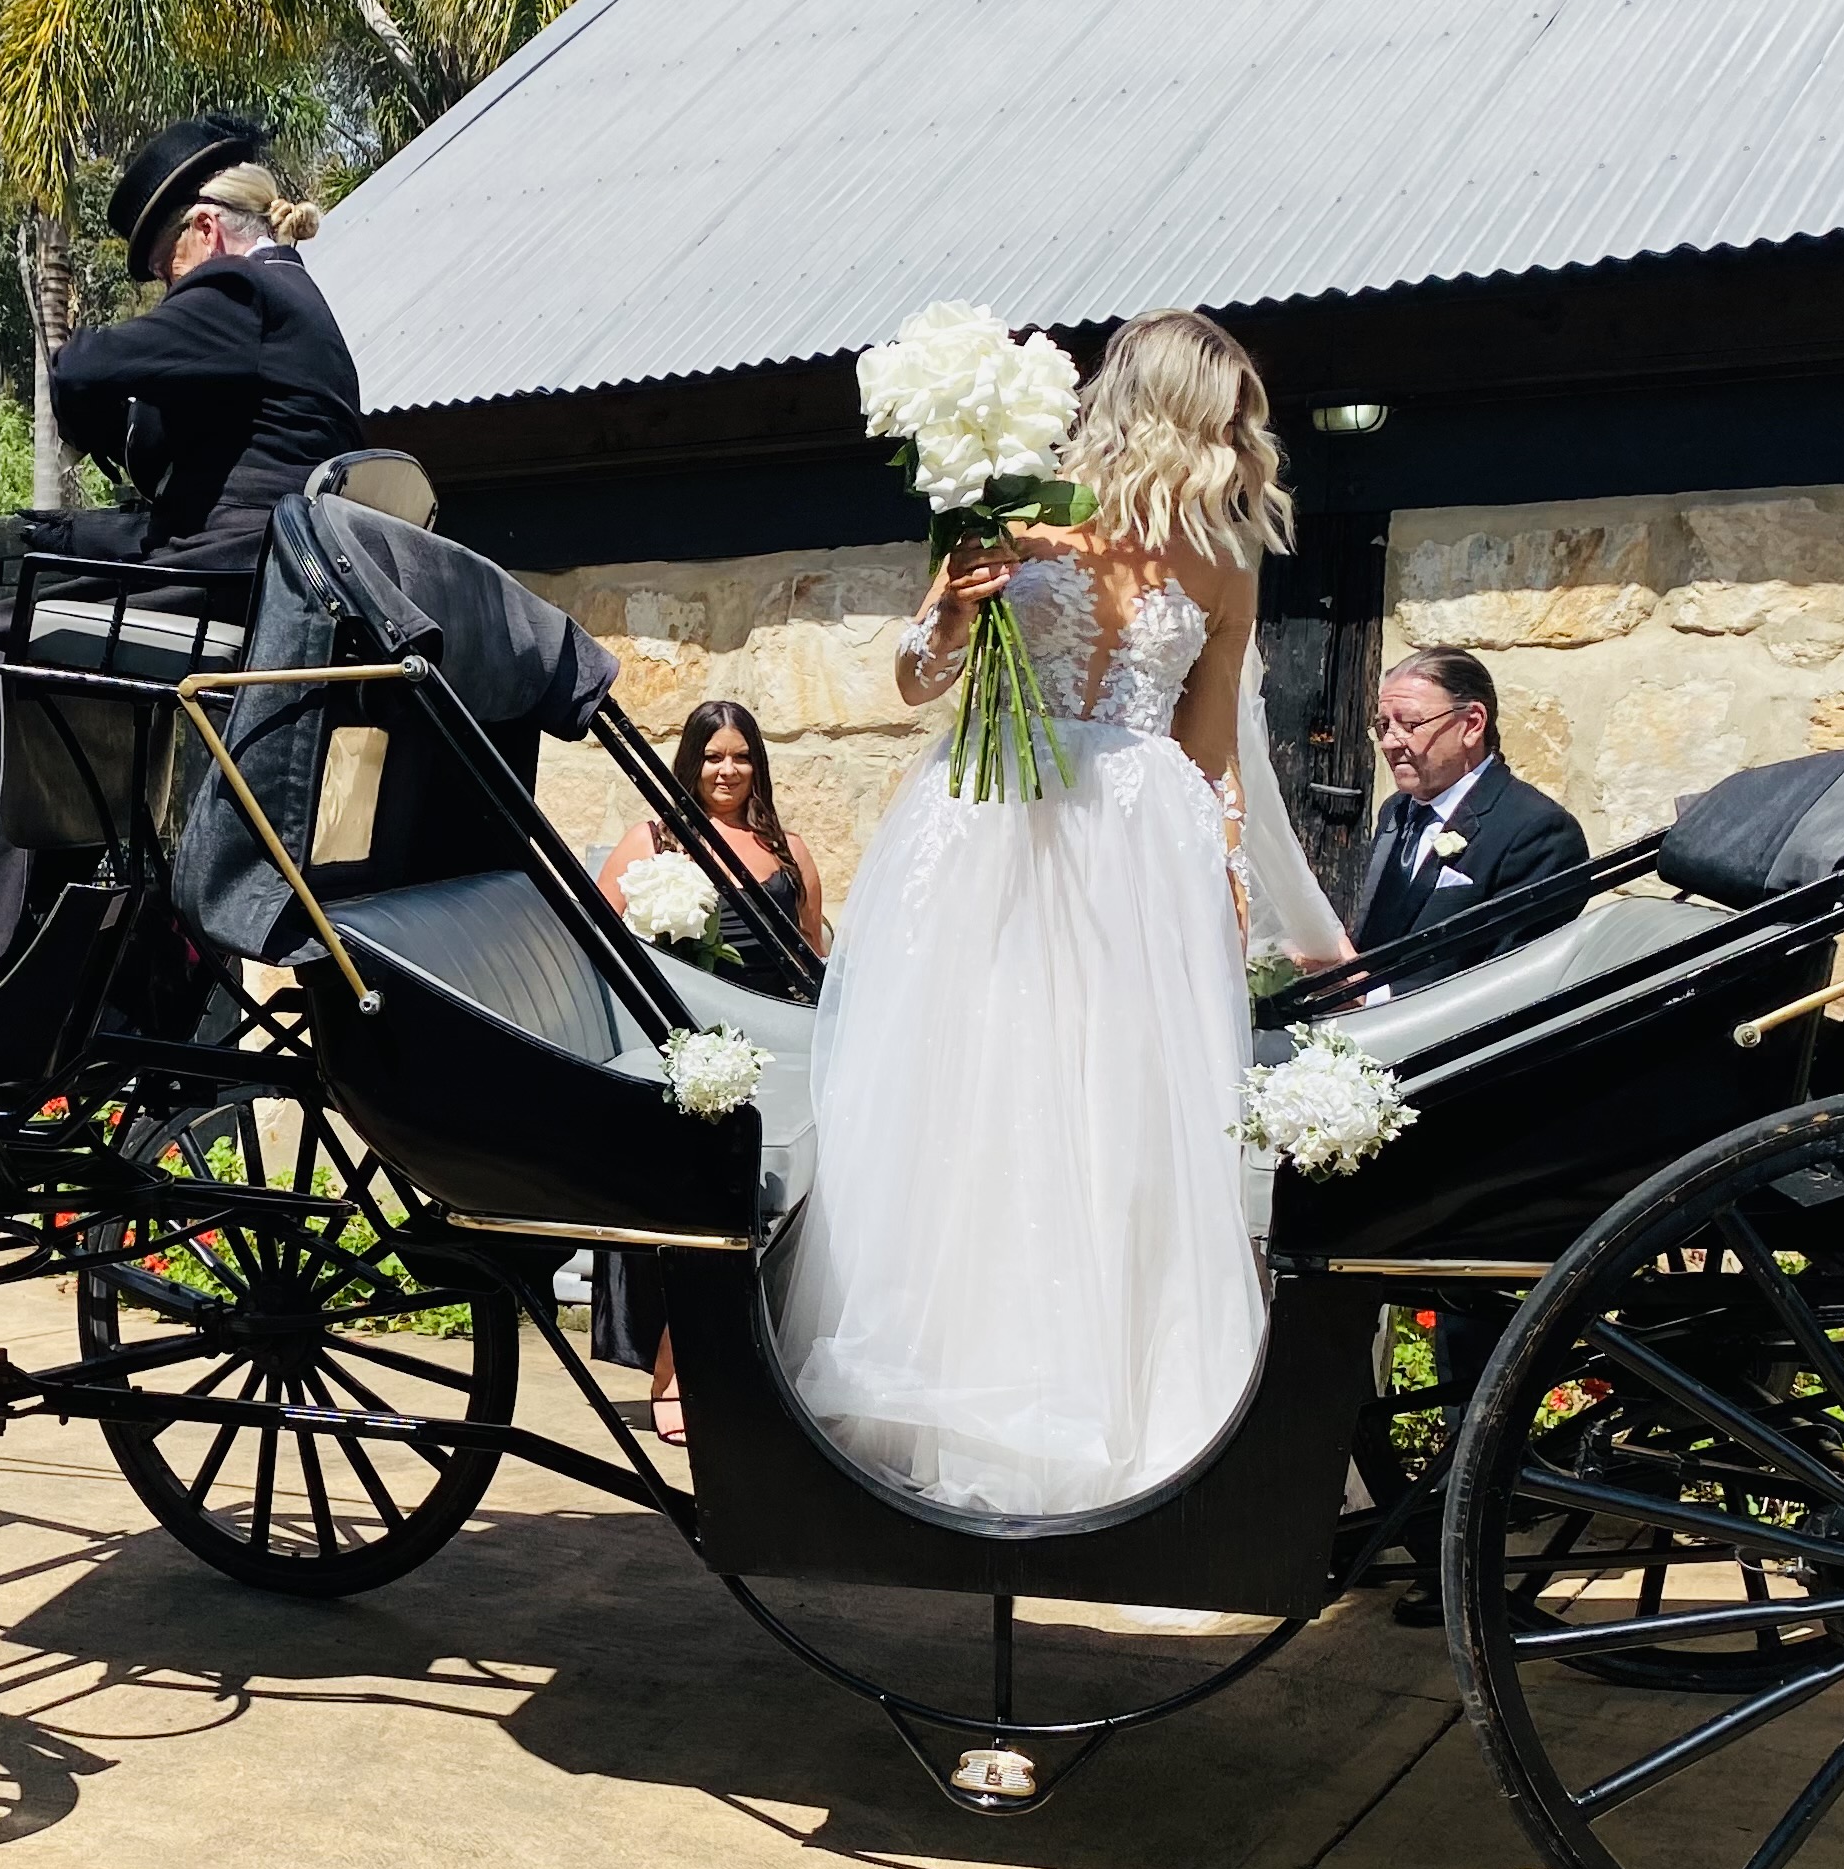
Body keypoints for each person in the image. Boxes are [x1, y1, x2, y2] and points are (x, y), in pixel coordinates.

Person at [776, 308, 1290, 1522]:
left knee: (1112, 1111)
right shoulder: (1013, 507)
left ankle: (1114, 1408)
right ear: (1172, 410)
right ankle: (965, 1387)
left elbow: (1211, 748)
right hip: (1001, 828)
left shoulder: (1223, 564)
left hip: (1128, 853)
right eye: (1219, 412)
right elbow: (916, 679)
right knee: (983, 1093)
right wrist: (952, 610)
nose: (1233, 439)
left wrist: (1216, 881)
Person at [0, 116, 361, 999]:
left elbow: (84, 366)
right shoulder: (297, 307)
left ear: (206, 230)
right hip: (260, 576)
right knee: (43, 557)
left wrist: (101, 412)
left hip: (225, 580)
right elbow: (182, 444)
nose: (171, 289)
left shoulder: (241, 294)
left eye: (166, 264)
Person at [588, 700, 830, 1441]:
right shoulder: (654, 840)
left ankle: (761, 1363)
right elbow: (602, 943)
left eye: (742, 756)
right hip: (695, 1040)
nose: (727, 771)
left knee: (779, 1208)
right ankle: (673, 1366)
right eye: (713, 757)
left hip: (781, 1042)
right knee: (703, 1211)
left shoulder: (788, 849)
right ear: (690, 763)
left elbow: (811, 952)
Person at [1348, 648, 1588, 999]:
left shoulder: (1539, 833)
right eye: (1383, 725)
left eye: (1410, 724)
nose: (1389, 742)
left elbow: (1507, 979)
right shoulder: (1396, 812)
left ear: (1472, 724)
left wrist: (1373, 998)